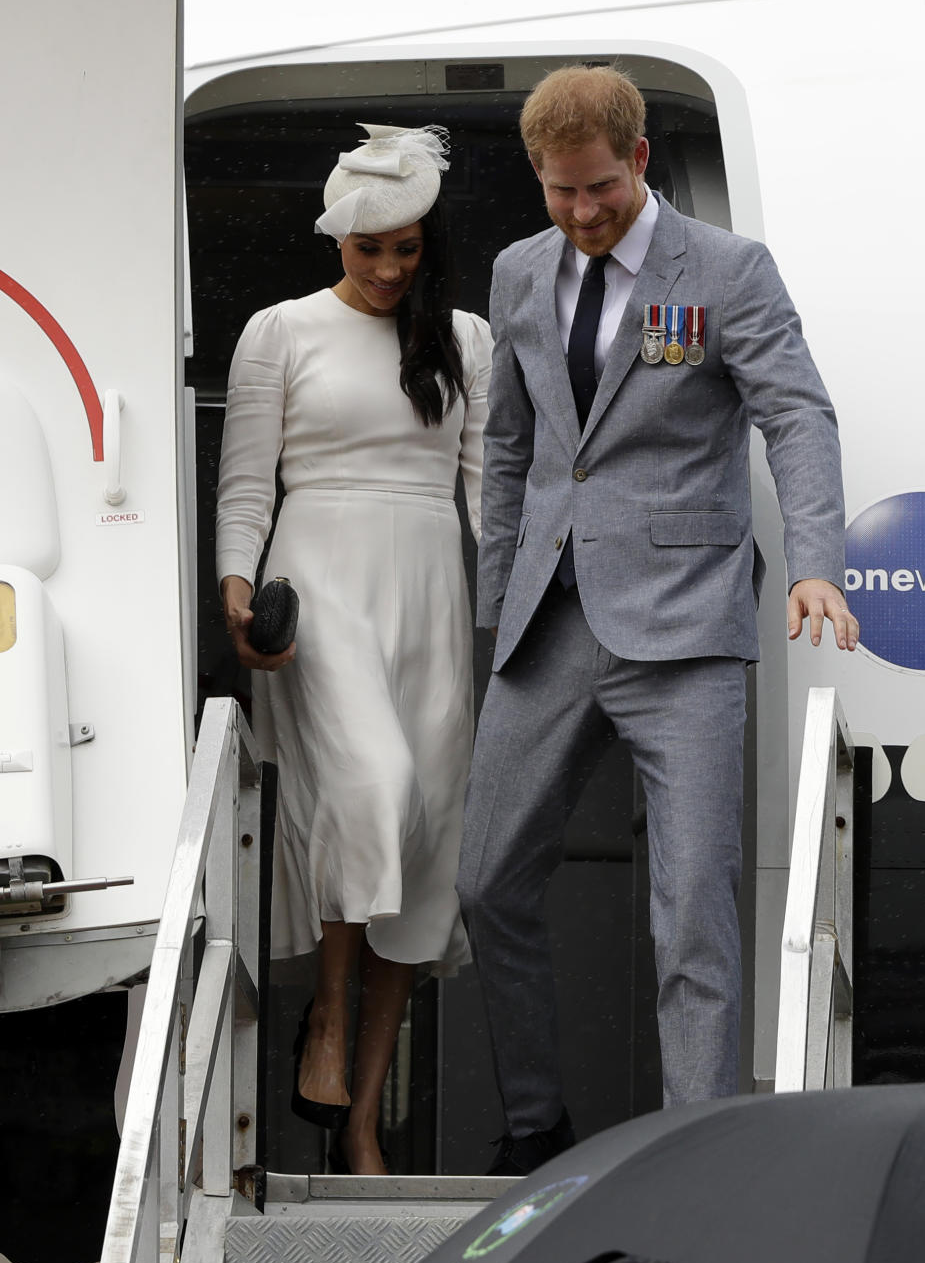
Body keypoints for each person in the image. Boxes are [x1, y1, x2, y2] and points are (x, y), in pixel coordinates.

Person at [456, 66, 860, 1175]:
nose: (581, 215)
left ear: (637, 160)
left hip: (684, 634)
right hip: (550, 624)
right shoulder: (518, 271)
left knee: (692, 918)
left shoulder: (728, 270)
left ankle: (697, 1157)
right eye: (558, 193)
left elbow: (797, 414)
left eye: (598, 190)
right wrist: (500, 607)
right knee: (486, 881)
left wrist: (817, 562)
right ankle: (535, 1121)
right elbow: (507, 449)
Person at [216, 123, 491, 1175]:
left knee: (422, 845)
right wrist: (239, 597)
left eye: (407, 250)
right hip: (319, 578)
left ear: (430, 245)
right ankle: (324, 1016)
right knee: (372, 790)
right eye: (368, 248)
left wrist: (508, 621)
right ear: (337, 237)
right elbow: (248, 481)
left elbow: (487, 493)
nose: (386, 270)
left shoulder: (464, 340)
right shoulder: (277, 330)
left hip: (427, 591)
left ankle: (364, 1124)